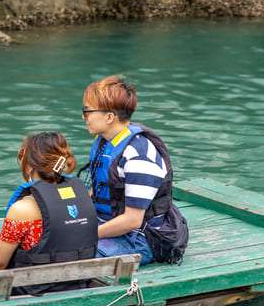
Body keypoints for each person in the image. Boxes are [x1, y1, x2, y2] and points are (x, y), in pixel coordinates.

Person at [79, 76, 188, 265]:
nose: (84, 117)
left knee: (69, 253)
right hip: (106, 224)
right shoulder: (105, 142)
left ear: (109, 117)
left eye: (87, 111)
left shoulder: (138, 155)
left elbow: (132, 220)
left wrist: (83, 235)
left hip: (141, 238)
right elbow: (100, 190)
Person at [0, 132, 97, 294]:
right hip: (74, 290)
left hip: (30, 296)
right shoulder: (84, 197)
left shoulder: (22, 209)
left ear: (30, 167)